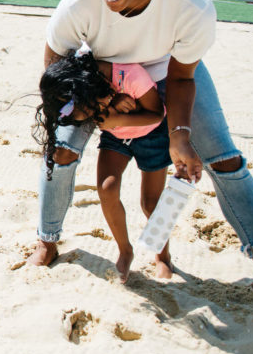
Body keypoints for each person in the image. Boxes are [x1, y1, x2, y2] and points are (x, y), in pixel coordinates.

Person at [27, 0, 253, 307]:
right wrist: (99, 105)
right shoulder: (78, 4)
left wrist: (180, 136)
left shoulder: (190, 4)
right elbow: (53, 71)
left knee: (225, 160)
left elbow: (183, 78)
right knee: (60, 150)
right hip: (100, 75)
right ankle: (47, 241)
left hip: (169, 73)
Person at [35, 51, 173, 283]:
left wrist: (119, 119)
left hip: (151, 134)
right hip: (116, 137)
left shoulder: (131, 77)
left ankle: (163, 256)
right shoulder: (91, 90)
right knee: (107, 189)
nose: (85, 119)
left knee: (151, 203)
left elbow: (157, 114)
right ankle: (125, 250)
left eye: (85, 113)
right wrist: (112, 105)